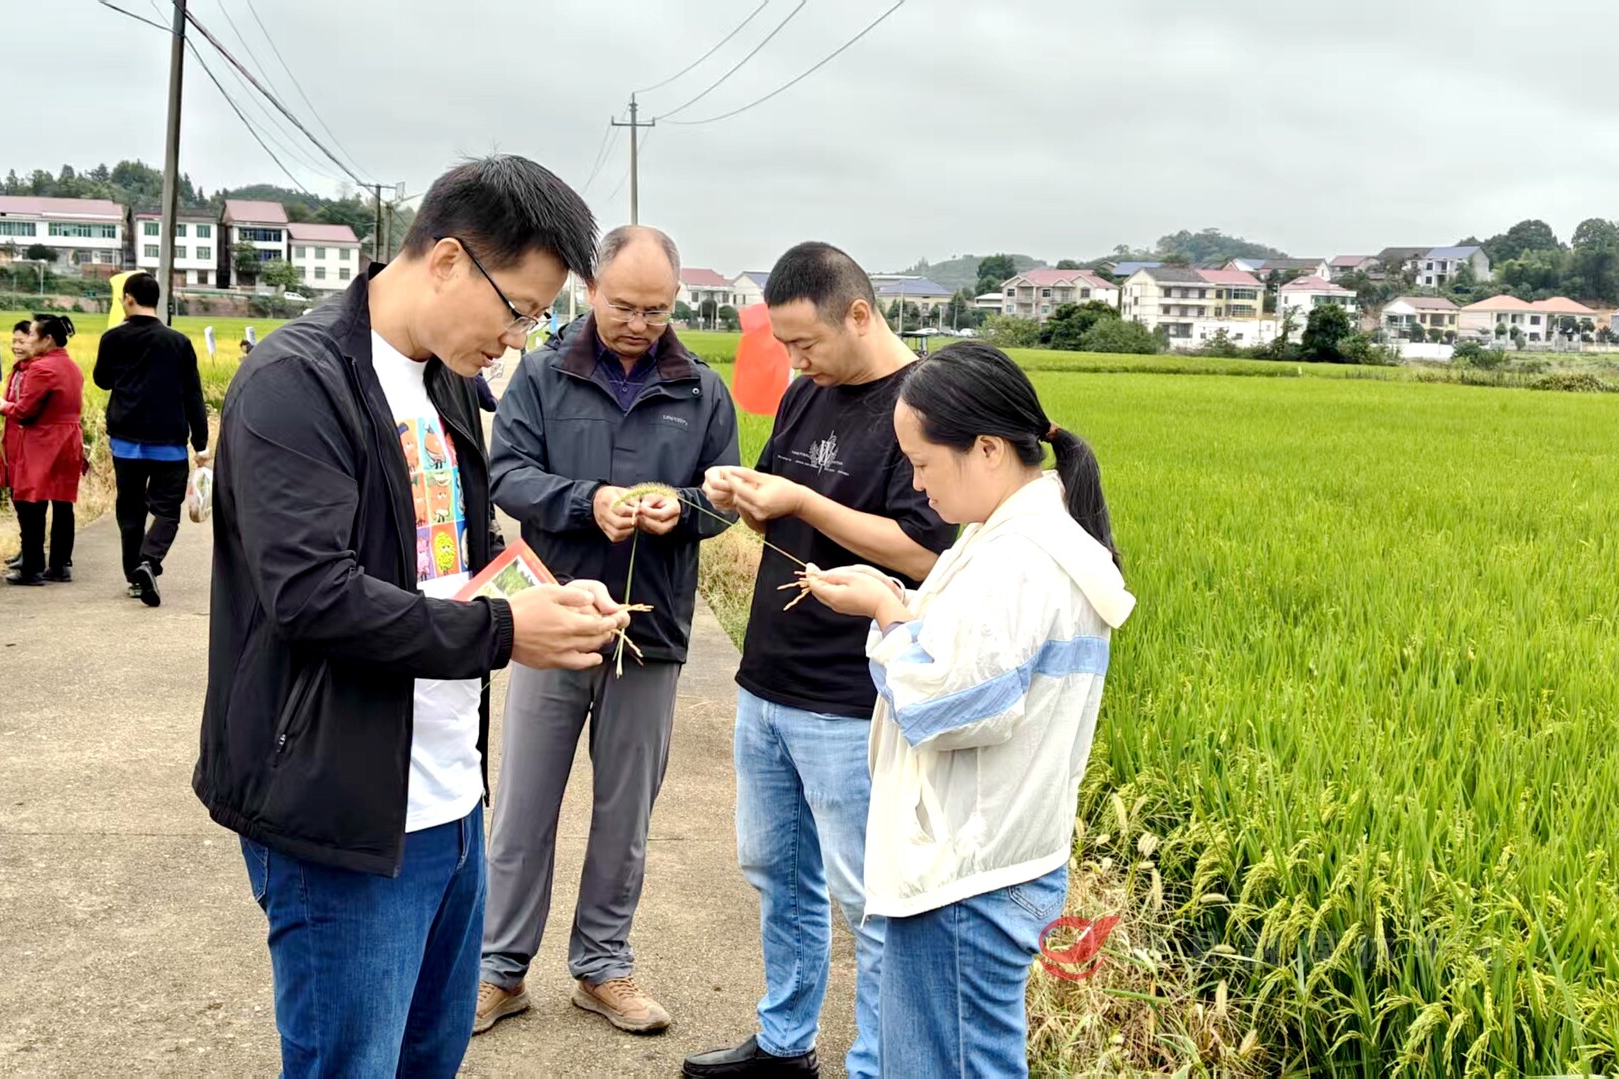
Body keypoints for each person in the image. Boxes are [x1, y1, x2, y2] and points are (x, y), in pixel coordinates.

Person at [194, 154, 634, 1078]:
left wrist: (537, 598)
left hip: (448, 794)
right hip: (339, 806)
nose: (521, 338)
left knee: (430, 1059)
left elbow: (453, 559)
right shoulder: (295, 383)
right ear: (445, 261)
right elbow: (313, 594)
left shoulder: (441, 385)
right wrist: (512, 636)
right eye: (518, 307)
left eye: (538, 316)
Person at [799, 342, 1133, 1076]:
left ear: (986, 448)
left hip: (967, 876)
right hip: (995, 859)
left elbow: (951, 704)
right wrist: (905, 604)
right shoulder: (1015, 536)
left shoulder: (1021, 559)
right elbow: (979, 652)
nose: (916, 487)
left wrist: (888, 612)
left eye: (923, 463)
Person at [684, 243, 956, 1079]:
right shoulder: (808, 393)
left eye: (805, 343)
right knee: (777, 871)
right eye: (787, 346)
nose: (795, 362)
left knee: (866, 896)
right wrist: (748, 499)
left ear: (860, 315)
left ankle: (878, 1062)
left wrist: (803, 499)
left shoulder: (927, 405)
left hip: (852, 694)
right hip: (769, 677)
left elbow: (921, 550)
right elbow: (785, 516)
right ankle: (783, 1043)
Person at [477, 226, 740, 1036]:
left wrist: (681, 508)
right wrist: (586, 500)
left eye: (657, 310)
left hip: (649, 627)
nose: (640, 322)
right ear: (591, 290)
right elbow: (508, 473)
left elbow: (723, 495)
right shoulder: (543, 372)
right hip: (551, 618)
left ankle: (602, 965)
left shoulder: (701, 388)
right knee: (522, 804)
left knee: (626, 813)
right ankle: (498, 969)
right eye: (625, 305)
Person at [93, 272, 210, 607]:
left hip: (126, 441)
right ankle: (150, 560)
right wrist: (201, 444)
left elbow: (102, 380)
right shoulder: (177, 342)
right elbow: (192, 395)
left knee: (130, 508)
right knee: (167, 511)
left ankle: (134, 575)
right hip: (168, 443)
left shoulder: (113, 338)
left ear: (128, 298)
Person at [0, 314, 84, 586]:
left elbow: (24, 411)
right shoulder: (71, 366)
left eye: (31, 335)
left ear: (48, 340)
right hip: (69, 440)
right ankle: (59, 565)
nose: (27, 340)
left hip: (45, 441)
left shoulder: (41, 369)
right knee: (62, 501)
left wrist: (3, 406)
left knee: (29, 502)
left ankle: (31, 567)